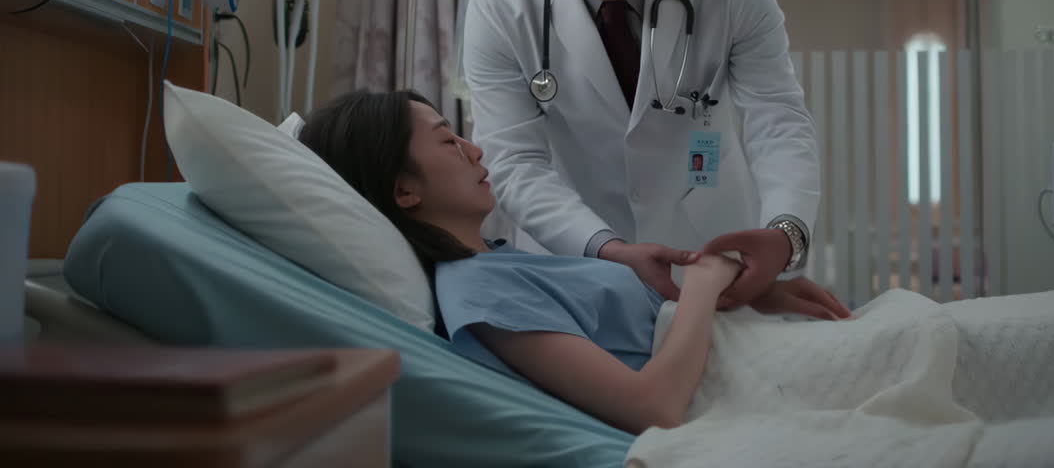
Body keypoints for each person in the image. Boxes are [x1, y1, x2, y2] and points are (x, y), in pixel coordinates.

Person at [463, 0, 834, 311]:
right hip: (578, 263)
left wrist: (786, 231)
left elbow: (778, 120)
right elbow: (514, 162)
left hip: (714, 254)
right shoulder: (500, 3)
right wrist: (608, 248)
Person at [299, 89, 849, 434]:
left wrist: (750, 295)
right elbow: (652, 407)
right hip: (737, 390)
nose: (477, 150)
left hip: (756, 353)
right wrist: (707, 280)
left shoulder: (499, 263)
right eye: (449, 142)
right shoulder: (477, 290)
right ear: (403, 191)